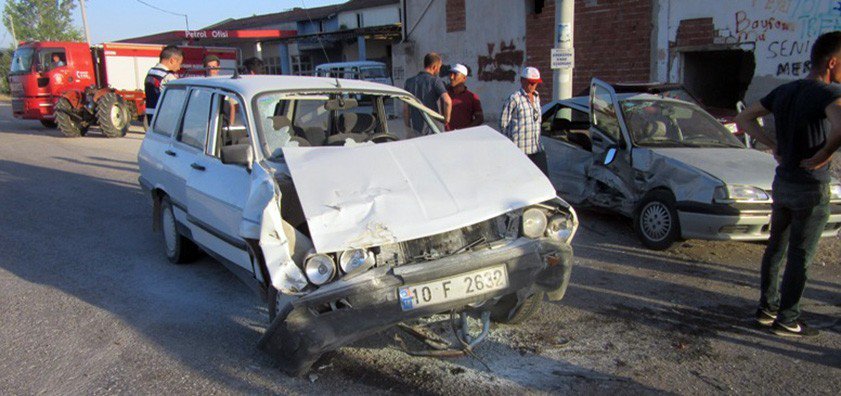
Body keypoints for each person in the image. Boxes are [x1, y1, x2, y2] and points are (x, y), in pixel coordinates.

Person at [736, 31, 841, 338]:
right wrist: (823, 155)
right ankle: (788, 318)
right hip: (810, 186)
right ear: (832, 63)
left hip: (782, 183)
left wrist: (773, 145)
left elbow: (744, 119)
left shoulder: (784, 91)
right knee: (800, 254)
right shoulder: (828, 93)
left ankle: (766, 311)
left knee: (775, 249)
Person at [500, 66, 546, 174]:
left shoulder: (536, 97)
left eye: (535, 83)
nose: (532, 86)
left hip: (537, 148)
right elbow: (503, 124)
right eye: (530, 82)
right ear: (522, 80)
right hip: (520, 150)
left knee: (542, 180)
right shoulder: (514, 98)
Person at [403, 52, 452, 134]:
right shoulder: (435, 81)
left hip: (417, 130)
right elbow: (447, 101)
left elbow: (405, 109)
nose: (439, 71)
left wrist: (408, 130)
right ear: (434, 67)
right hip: (435, 129)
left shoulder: (409, 82)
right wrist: (446, 119)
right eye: (439, 68)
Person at [144, 45, 183, 126]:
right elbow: (177, 101)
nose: (179, 68)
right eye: (179, 63)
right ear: (172, 60)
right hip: (163, 119)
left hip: (150, 116)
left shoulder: (151, 72)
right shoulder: (168, 77)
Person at [445, 63, 483, 131]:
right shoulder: (445, 95)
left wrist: (466, 130)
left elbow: (479, 118)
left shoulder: (472, 97)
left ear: (464, 78)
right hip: (445, 136)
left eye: (455, 74)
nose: (451, 77)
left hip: (465, 138)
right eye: (450, 74)